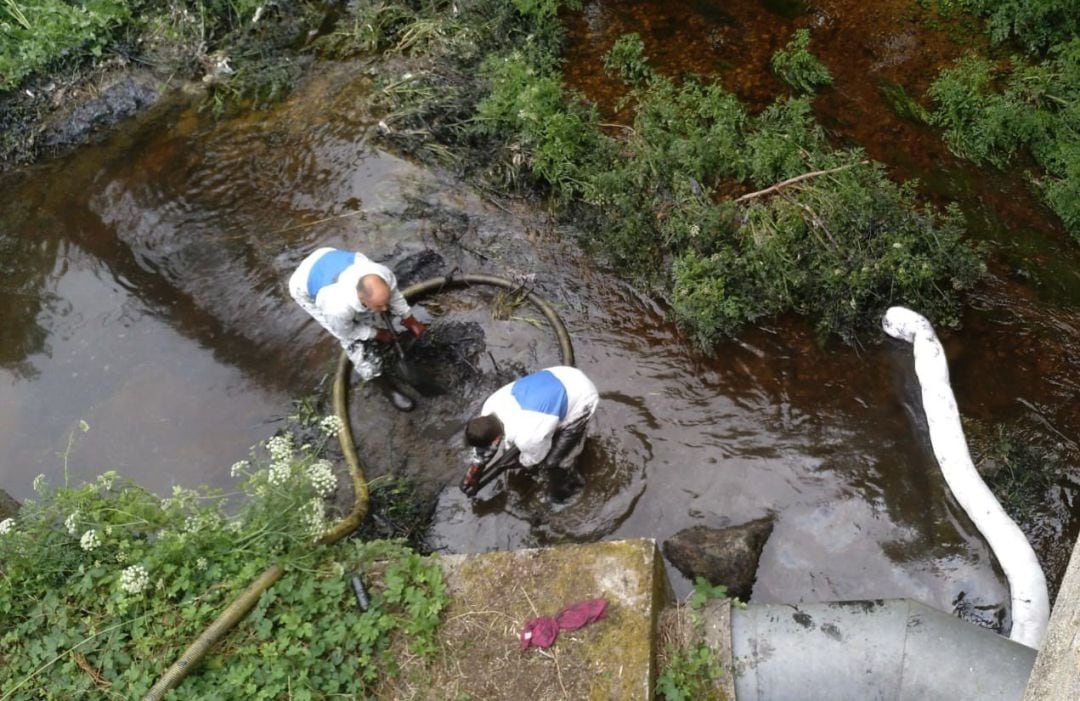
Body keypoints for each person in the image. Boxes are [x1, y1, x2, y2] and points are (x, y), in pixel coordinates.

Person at [289, 246, 426, 411]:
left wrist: (409, 319)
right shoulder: (336, 308)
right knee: (356, 346)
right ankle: (386, 388)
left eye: (384, 302)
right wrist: (376, 333)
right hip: (304, 284)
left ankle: (380, 330)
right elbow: (344, 332)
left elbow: (394, 295)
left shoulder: (380, 273)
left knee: (378, 311)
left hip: (326, 256)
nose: (384, 309)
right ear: (361, 298)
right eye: (379, 305)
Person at [463, 366, 598, 501]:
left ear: (497, 439)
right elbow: (485, 445)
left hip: (583, 397)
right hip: (562, 374)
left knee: (552, 462)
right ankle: (556, 420)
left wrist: (519, 462)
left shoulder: (527, 437)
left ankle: (570, 490)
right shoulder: (490, 405)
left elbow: (535, 458)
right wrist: (474, 471)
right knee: (542, 435)